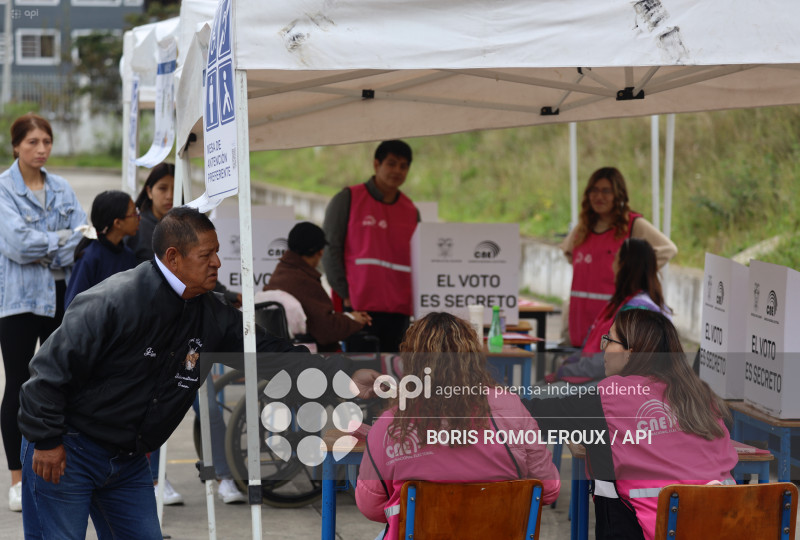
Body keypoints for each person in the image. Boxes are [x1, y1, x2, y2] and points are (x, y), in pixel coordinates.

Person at [18, 207, 379, 538]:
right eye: (206, 255)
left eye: (217, 252)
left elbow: (271, 353)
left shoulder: (212, 313)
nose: (218, 263)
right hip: (68, 449)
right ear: (173, 257)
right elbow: (46, 374)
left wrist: (342, 375)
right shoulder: (115, 301)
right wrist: (47, 440)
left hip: (126, 459)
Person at [526, 309, 737, 540]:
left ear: (631, 352)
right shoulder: (704, 397)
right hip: (727, 528)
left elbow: (529, 416)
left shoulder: (610, 399)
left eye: (609, 340)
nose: (603, 348)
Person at [356, 312, 560, 540]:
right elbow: (548, 489)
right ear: (473, 357)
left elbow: (370, 506)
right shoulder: (512, 408)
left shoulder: (391, 424)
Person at [0, 113, 87, 512]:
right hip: (18, 301)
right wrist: (61, 240)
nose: (41, 149)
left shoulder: (63, 188)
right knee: (18, 382)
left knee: (61, 380)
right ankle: (17, 479)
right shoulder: (3, 190)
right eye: (32, 142)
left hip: (60, 295)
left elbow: (84, 238)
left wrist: (51, 243)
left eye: (46, 142)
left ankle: (56, 464)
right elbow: (17, 245)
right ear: (16, 145)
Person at [561, 167, 677, 347]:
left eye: (606, 191)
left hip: (612, 323)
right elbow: (568, 253)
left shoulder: (633, 225)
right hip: (579, 321)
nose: (599, 196)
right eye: (594, 190)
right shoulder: (582, 228)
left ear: (618, 194)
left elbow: (668, 249)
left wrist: (636, 268)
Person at [322, 140, 419, 353]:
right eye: (391, 164)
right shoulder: (348, 198)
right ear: (377, 164)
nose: (397, 171)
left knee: (393, 379)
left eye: (403, 166)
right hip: (360, 308)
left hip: (399, 311)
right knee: (361, 379)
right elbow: (330, 249)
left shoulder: (411, 210)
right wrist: (345, 294)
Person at [550, 238, 671, 383]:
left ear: (623, 265)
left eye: (615, 259)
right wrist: (571, 364)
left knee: (536, 398)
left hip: (617, 386)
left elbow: (611, 361)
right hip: (601, 378)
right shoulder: (623, 303)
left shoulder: (637, 310)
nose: (611, 264)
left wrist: (566, 371)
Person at [264, 222, 371, 352]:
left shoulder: (281, 273)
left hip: (284, 353)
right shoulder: (303, 281)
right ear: (320, 252)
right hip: (313, 359)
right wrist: (354, 319)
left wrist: (349, 317)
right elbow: (327, 329)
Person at [64, 190, 139, 309]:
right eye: (134, 214)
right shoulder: (89, 257)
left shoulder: (128, 256)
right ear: (117, 223)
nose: (139, 218)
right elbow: (73, 306)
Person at [126, 162, 174, 263]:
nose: (170, 196)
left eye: (175, 189)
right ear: (149, 191)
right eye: (162, 188)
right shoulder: (136, 227)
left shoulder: (188, 227)